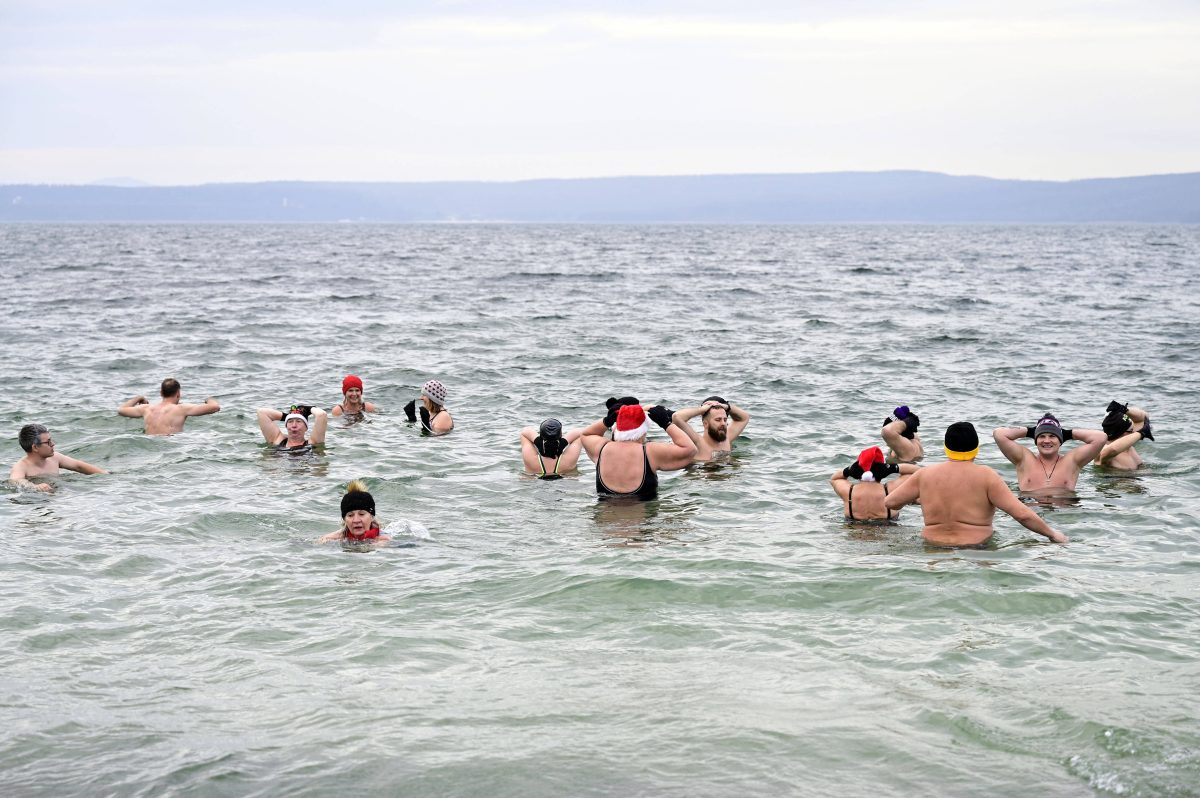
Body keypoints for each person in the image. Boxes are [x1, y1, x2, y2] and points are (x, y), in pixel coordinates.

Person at [884, 422, 1067, 546]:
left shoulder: (925, 474)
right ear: (976, 448)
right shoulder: (986, 475)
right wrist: (1052, 534)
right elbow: (1021, 514)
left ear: (946, 448)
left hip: (933, 546)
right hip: (975, 549)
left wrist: (919, 499)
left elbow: (891, 502)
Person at [580, 404, 697, 500]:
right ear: (643, 431)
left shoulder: (601, 448)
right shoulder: (650, 452)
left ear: (617, 429)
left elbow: (586, 434)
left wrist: (607, 421)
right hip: (641, 526)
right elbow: (690, 449)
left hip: (605, 526)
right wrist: (666, 423)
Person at [992, 413, 1106, 492]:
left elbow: (1100, 437)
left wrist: (1067, 433)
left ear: (1060, 440)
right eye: (1041, 436)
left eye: (1052, 436)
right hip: (1031, 511)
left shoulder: (1072, 461)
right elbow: (999, 434)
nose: (1046, 441)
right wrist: (1031, 431)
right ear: (1036, 440)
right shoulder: (1024, 459)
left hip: (1063, 515)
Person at [830, 445, 919, 522]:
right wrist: (893, 468)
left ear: (857, 469)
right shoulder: (891, 490)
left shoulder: (848, 491)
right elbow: (918, 472)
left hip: (855, 533)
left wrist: (848, 470)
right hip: (886, 531)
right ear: (882, 470)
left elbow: (834, 478)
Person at [10, 424, 106, 491]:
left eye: (51, 440)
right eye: (48, 442)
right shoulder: (21, 467)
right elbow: (16, 481)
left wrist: (105, 475)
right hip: (36, 501)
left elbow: (78, 466)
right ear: (35, 447)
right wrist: (34, 487)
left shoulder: (55, 457)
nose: (53, 444)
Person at [116, 377, 221, 434]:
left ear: (161, 393)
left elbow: (121, 410)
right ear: (178, 394)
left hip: (150, 444)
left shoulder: (146, 408)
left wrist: (139, 398)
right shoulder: (181, 409)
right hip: (170, 445)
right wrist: (208, 399)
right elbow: (215, 407)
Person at [671, 395, 750, 461]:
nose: (723, 423)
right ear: (705, 424)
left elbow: (744, 418)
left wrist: (727, 407)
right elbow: (677, 417)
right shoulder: (698, 443)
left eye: (725, 419)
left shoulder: (726, 439)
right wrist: (701, 410)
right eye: (718, 420)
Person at [318, 480, 390, 544]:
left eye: (361, 514)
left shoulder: (383, 540)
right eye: (350, 515)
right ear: (344, 519)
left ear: (372, 516)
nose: (356, 520)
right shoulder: (331, 538)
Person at [1095, 400, 1154, 470]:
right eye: (1131, 430)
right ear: (1120, 433)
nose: (1133, 433)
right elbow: (1111, 450)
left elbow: (1144, 418)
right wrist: (1141, 433)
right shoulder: (1102, 450)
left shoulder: (1128, 446)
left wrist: (1125, 410)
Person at [256, 404, 327, 450]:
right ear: (286, 426)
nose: (294, 425)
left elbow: (321, 415)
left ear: (306, 427)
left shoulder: (313, 443)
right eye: (290, 421)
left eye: (299, 421)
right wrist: (290, 415)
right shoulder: (277, 440)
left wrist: (309, 409)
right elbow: (261, 412)